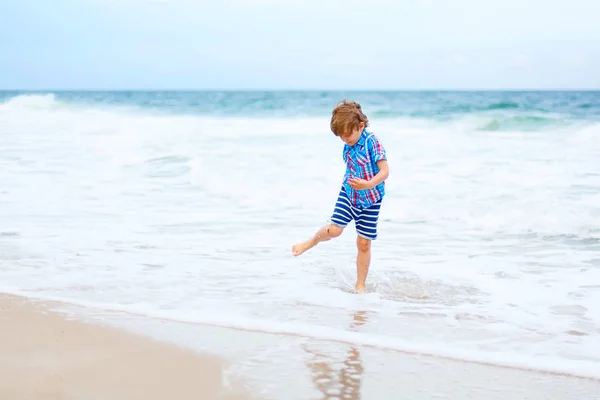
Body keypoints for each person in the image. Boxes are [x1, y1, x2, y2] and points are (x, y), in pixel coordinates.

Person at [291, 99, 389, 293]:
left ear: (360, 126)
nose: (344, 140)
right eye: (341, 137)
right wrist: (357, 186)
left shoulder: (372, 142)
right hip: (349, 194)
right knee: (335, 231)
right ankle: (311, 242)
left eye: (346, 135)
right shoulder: (349, 145)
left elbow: (384, 171)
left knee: (363, 242)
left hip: (371, 199)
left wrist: (368, 184)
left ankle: (360, 285)